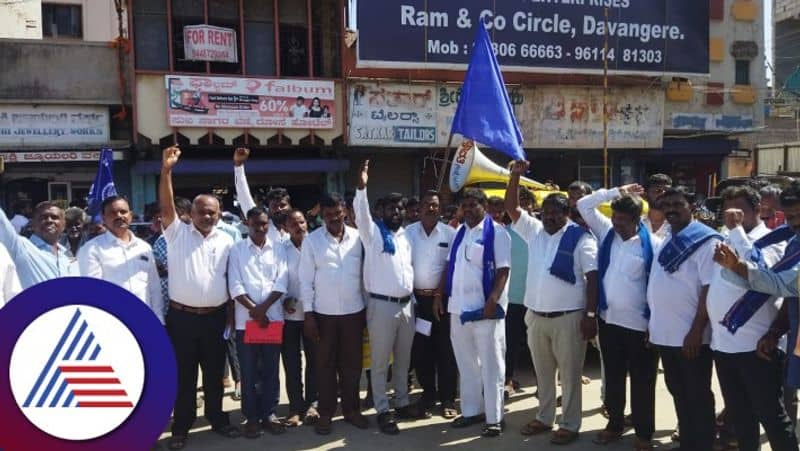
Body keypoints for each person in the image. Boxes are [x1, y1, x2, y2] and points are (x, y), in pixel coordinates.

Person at [506, 161, 598, 446]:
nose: (549, 218)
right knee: (543, 374)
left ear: (566, 214)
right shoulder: (534, 231)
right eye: (545, 214)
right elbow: (511, 207)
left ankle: (570, 424)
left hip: (569, 318)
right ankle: (545, 418)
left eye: (555, 214)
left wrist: (591, 315)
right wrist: (514, 176)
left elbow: (593, 278)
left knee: (570, 376)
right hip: (535, 317)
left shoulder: (581, 238)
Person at [707, 185, 799, 451]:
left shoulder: (777, 242)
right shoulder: (791, 237)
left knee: (772, 416)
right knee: (741, 416)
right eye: (791, 217)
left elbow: (772, 281)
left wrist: (737, 236)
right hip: (725, 345)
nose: (732, 217)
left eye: (739, 212)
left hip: (755, 347)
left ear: (758, 210)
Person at [159, 146, 239, 450]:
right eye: (201, 211)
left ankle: (218, 419)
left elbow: (231, 281)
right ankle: (181, 426)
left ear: (219, 215)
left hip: (216, 317)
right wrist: (166, 170)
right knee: (184, 375)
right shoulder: (177, 234)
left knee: (215, 372)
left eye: (212, 212)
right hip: (182, 318)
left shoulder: (228, 239)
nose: (207, 216)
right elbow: (167, 207)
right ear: (190, 214)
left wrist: (231, 315)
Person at [576, 184, 660, 449]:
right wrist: (618, 191)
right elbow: (583, 205)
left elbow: (658, 288)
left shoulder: (654, 245)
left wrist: (654, 325)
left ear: (637, 221)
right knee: (612, 379)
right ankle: (614, 424)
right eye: (615, 218)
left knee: (643, 382)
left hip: (639, 327)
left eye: (623, 220)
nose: (617, 224)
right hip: (609, 323)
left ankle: (644, 433)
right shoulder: (606, 233)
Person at [647, 186, 721, 451]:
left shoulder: (705, 240)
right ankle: (689, 442)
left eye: (677, 204)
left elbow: (708, 288)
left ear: (691, 205)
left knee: (697, 394)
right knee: (678, 390)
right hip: (666, 333)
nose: (671, 210)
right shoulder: (668, 235)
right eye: (666, 205)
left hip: (691, 337)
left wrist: (697, 330)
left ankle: (703, 444)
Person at [354, 160, 424, 434]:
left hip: (407, 307)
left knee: (404, 361)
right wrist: (362, 185)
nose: (396, 212)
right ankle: (383, 409)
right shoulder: (372, 234)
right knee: (381, 362)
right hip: (381, 307)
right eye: (390, 208)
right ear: (379, 211)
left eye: (399, 208)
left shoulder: (407, 236)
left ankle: (402, 402)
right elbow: (360, 214)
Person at [434, 188, 511, 437]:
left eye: (472, 205)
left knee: (492, 366)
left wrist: (492, 300)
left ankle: (494, 418)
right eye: (464, 205)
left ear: (484, 206)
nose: (467, 209)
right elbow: (451, 267)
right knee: (466, 365)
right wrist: (441, 296)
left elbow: (503, 271)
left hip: (485, 312)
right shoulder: (460, 232)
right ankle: (471, 411)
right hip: (458, 310)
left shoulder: (497, 233)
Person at [300, 192, 367, 435]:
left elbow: (366, 276)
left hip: (354, 313)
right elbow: (306, 281)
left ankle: (351, 410)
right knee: (324, 365)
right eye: (328, 215)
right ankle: (326, 413)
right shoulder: (312, 241)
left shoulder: (359, 238)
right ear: (323, 216)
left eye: (338, 213)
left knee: (352, 365)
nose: (334, 218)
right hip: (323, 315)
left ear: (345, 212)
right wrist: (308, 315)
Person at [228, 206, 288, 439]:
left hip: (272, 320)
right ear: (247, 224)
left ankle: (269, 413)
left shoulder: (278, 249)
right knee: (249, 372)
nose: (261, 228)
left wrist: (263, 310)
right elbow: (235, 285)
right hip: (247, 323)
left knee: (271, 370)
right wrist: (255, 311)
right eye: (256, 224)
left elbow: (281, 280)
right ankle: (251, 417)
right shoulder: (237, 250)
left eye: (265, 224)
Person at [406, 190, 457, 419]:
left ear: (441, 208)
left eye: (435, 205)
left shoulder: (450, 233)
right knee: (421, 351)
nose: (431, 208)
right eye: (427, 204)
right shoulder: (408, 233)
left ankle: (448, 398)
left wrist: (438, 295)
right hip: (417, 301)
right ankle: (428, 394)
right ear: (419, 207)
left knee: (445, 350)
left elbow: (451, 268)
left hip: (443, 301)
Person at [77, 196, 164, 323]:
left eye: (123, 212)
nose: (119, 216)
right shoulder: (92, 249)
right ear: (103, 217)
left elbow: (154, 287)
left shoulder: (144, 247)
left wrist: (159, 320)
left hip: (144, 320)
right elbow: (92, 292)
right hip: (112, 322)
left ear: (130, 215)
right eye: (112, 213)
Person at [281, 209, 319, 427]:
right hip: (289, 316)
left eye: (302, 221)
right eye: (293, 224)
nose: (299, 227)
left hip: (313, 314)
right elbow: (275, 276)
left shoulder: (316, 244)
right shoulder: (281, 250)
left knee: (314, 361)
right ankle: (295, 407)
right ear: (286, 228)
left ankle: (313, 404)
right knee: (292, 363)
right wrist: (284, 298)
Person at [0, 201, 77, 288]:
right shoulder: (21, 248)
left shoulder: (66, 258)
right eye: (43, 217)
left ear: (63, 225)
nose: (49, 220)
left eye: (54, 217)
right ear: (32, 224)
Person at [505, 187, 535, 397]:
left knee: (540, 347)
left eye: (527, 201)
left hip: (537, 300)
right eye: (519, 200)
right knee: (510, 344)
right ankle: (508, 380)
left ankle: (546, 385)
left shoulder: (542, 229)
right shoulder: (504, 232)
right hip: (512, 298)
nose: (523, 204)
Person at [234, 147, 289, 243]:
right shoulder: (262, 225)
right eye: (274, 206)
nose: (279, 209)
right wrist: (239, 166)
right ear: (268, 208)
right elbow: (243, 195)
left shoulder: (296, 226)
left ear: (289, 206)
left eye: (283, 205)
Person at [643, 174, 672, 239]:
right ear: (645, 195)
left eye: (667, 191)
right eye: (657, 191)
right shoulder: (635, 223)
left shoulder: (678, 224)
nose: (663, 194)